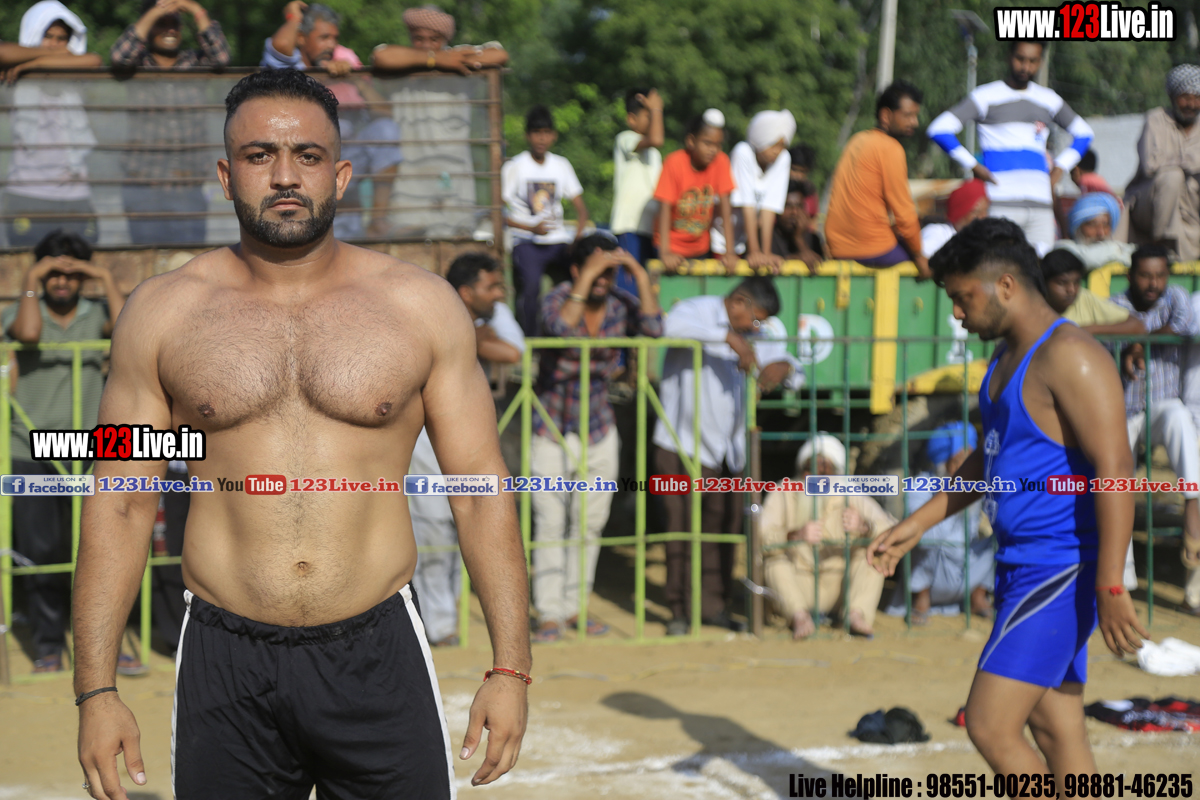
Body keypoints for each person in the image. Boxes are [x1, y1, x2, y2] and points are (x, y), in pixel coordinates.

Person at [73, 70, 529, 798]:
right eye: (259, 155)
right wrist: (95, 690)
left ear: (340, 175)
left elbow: (479, 490)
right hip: (225, 656)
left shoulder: (422, 306)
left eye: (307, 156)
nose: (285, 175)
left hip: (377, 648)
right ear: (226, 175)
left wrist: (510, 668)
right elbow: (120, 500)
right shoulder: (159, 313)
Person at [869, 217, 1147, 782]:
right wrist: (917, 523)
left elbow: (1116, 468)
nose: (956, 312)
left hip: (1060, 568)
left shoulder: (1072, 354)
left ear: (1005, 285)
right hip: (1021, 564)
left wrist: (1111, 583)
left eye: (962, 297)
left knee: (989, 725)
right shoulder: (1003, 359)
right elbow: (991, 458)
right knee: (1055, 725)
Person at [3, 230, 124, 673]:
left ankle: (107, 645)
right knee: (43, 549)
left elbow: (128, 330)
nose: (61, 280)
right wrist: (30, 279)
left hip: (90, 448)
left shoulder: (96, 312)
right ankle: (49, 643)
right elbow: (28, 333)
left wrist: (102, 277)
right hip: (30, 447)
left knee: (101, 547)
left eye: (70, 272)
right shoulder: (24, 309)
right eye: (52, 272)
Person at [653, 277, 801, 634]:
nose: (757, 327)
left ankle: (713, 606)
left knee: (722, 527)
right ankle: (679, 611)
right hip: (681, 443)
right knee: (680, 528)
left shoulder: (756, 331)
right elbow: (666, 329)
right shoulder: (695, 311)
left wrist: (784, 367)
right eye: (756, 318)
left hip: (728, 451)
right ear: (738, 302)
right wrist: (727, 338)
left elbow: (789, 364)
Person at [532, 233, 661, 642]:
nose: (606, 279)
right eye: (598, 270)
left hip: (599, 427)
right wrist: (586, 280)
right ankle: (549, 612)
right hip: (551, 427)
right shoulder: (557, 298)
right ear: (578, 269)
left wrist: (639, 274)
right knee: (550, 521)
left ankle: (576, 608)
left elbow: (654, 329)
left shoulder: (621, 303)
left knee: (589, 524)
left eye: (611, 271)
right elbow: (559, 329)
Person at [407, 254, 524, 648]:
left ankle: (448, 618)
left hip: (468, 438)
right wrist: (478, 337)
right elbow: (506, 352)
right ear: (465, 293)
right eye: (491, 287)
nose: (499, 295)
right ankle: (437, 625)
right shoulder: (439, 325)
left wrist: (484, 325)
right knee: (433, 528)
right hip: (425, 441)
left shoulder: (479, 323)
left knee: (468, 521)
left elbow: (515, 350)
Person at [928, 40, 1095, 256]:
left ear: (1041, 62)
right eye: (1020, 59)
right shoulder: (986, 96)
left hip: (1040, 203)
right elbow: (939, 129)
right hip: (1000, 200)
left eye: (1033, 61)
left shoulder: (1049, 99)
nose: (1026, 67)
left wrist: (1060, 167)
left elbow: (1084, 133)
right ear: (1009, 57)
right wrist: (974, 165)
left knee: (1040, 268)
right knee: (1000, 264)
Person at [1111, 245, 1200, 586]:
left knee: (1178, 415)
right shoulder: (1115, 304)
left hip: (1161, 406)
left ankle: (1191, 502)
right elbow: (1109, 340)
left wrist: (1137, 340)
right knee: (1117, 484)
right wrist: (1132, 342)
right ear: (1131, 275)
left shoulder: (1175, 296)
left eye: (1160, 275)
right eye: (1146, 276)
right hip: (1122, 412)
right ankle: (1123, 580)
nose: (1153, 283)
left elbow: (1183, 326)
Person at [110, 0, 231, 246]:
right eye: (161, 23)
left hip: (187, 185)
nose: (170, 30)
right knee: (145, 258)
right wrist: (156, 10)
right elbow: (119, 57)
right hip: (144, 185)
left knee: (188, 258)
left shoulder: (194, 62)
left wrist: (193, 8)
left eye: (175, 24)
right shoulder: (138, 64)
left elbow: (221, 57)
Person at [761, 434, 892, 639]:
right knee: (774, 561)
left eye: (824, 471)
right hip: (799, 583)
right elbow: (761, 538)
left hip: (841, 587)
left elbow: (891, 529)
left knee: (871, 557)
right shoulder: (782, 492)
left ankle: (855, 615)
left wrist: (865, 527)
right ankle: (799, 617)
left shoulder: (851, 493)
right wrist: (794, 535)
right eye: (810, 469)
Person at [2, 2, 101, 248]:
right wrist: (43, 58)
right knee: (28, 267)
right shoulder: (12, 73)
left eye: (61, 38)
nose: (54, 43)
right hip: (26, 191)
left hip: (74, 193)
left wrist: (35, 63)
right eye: (47, 36)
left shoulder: (73, 74)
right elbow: (2, 52)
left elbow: (94, 60)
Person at [884, 422, 994, 623]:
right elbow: (921, 534)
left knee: (1000, 539)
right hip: (932, 567)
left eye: (969, 459)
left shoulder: (976, 483)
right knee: (925, 541)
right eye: (958, 460)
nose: (964, 467)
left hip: (965, 567)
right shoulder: (920, 484)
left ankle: (978, 596)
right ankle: (921, 599)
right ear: (943, 462)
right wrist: (951, 500)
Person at [825, 81, 931, 277]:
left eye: (915, 116)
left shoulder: (857, 139)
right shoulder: (891, 148)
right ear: (886, 115)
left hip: (837, 246)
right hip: (873, 249)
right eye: (908, 115)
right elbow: (904, 213)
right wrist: (919, 256)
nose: (914, 122)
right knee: (932, 262)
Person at [502, 105, 589, 335]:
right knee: (530, 288)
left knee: (577, 282)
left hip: (558, 241)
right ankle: (529, 342)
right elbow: (497, 212)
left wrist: (577, 239)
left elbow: (581, 209)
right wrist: (530, 228)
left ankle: (567, 337)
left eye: (546, 133)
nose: (541, 139)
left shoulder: (561, 165)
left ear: (554, 136)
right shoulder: (515, 166)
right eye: (536, 133)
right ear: (527, 136)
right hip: (526, 241)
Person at [1123, 65, 1200, 260]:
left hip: (1191, 205)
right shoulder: (1156, 119)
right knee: (1173, 177)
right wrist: (1191, 162)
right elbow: (1151, 164)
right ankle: (1160, 244)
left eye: (1197, 98)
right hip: (1150, 203)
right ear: (1172, 97)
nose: (1191, 104)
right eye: (1185, 97)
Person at [654, 109, 739, 274]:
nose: (713, 150)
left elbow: (726, 209)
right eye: (707, 143)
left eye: (718, 145)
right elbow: (664, 208)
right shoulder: (674, 162)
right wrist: (665, 252)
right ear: (691, 141)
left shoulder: (721, 161)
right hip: (671, 246)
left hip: (700, 248)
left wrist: (730, 252)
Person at [711, 109, 796, 270]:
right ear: (760, 139)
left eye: (782, 146)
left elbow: (769, 207)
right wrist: (755, 251)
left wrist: (765, 252)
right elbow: (747, 205)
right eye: (773, 144)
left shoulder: (783, 158)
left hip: (742, 242)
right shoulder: (743, 152)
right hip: (721, 241)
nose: (777, 151)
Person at [610, 88, 664, 280]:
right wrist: (657, 109)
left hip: (651, 229)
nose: (653, 119)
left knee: (649, 283)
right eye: (648, 115)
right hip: (630, 226)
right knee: (630, 282)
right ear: (631, 119)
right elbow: (656, 139)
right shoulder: (625, 138)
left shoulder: (655, 155)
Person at [371, 4, 509, 73]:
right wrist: (435, 59)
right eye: (419, 38)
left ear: (445, 39)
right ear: (410, 37)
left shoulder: (455, 54)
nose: (426, 45)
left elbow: (498, 55)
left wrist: (447, 58)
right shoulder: (401, 57)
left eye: (434, 39)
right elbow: (381, 56)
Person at [1040, 249, 1144, 336]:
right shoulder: (1034, 305)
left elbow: (1137, 326)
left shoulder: (1084, 298)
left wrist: (1090, 329)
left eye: (1076, 282)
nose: (1071, 290)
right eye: (1062, 283)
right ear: (1044, 283)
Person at [261, 1, 356, 75]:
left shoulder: (335, 65)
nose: (332, 45)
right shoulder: (289, 69)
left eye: (335, 38)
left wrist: (341, 72)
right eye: (324, 37)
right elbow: (282, 45)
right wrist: (294, 18)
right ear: (301, 38)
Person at [1052, 193, 1135, 272]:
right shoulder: (1063, 248)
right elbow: (1087, 259)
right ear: (1078, 228)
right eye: (1092, 225)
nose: (1101, 233)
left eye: (1105, 225)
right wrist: (1116, 251)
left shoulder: (1117, 247)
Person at [921, 179, 990, 259]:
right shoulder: (938, 233)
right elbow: (922, 259)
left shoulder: (981, 239)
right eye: (976, 212)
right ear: (960, 213)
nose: (983, 217)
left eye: (986, 211)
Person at [770, 180, 823, 269]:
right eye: (788, 206)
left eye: (799, 206)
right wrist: (793, 260)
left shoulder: (814, 239)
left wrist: (798, 239)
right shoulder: (767, 238)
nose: (794, 212)